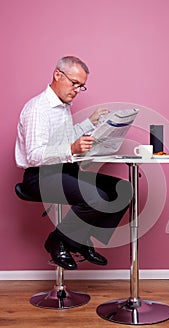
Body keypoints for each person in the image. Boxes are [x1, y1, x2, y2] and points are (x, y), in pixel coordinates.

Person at [15, 56, 132, 270]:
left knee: (122, 190)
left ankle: (79, 241)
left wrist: (91, 122)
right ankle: (58, 240)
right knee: (96, 197)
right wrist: (71, 149)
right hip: (39, 176)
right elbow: (33, 155)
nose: (77, 90)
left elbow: (65, 137)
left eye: (82, 86)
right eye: (74, 83)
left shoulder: (62, 106)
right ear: (58, 75)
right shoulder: (37, 109)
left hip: (65, 170)